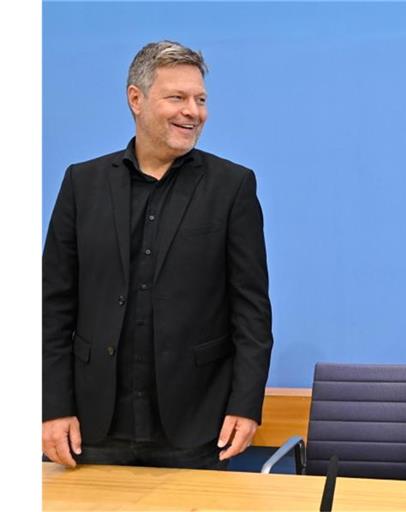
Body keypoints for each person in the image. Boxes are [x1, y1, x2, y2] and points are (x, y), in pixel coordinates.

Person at [42, 41, 274, 470]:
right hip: (90, 427)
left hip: (197, 426)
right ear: (136, 99)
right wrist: (52, 405)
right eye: (178, 98)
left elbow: (251, 310)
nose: (194, 111)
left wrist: (246, 404)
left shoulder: (232, 187)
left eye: (200, 100)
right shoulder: (82, 184)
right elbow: (52, 306)